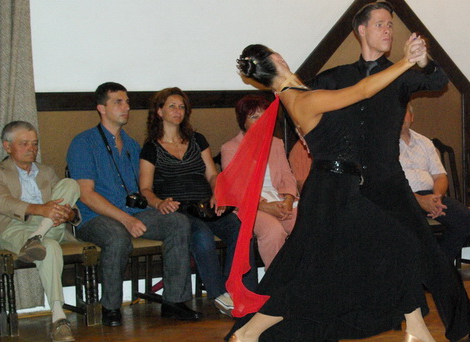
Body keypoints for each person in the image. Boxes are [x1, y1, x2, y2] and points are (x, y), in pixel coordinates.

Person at [224, 36, 451, 342]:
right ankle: (249, 333)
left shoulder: (299, 93)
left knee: (397, 246)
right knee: (322, 276)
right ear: (278, 61)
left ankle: (416, 329)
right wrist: (405, 62)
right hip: (332, 193)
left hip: (339, 188)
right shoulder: (302, 99)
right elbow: (362, 91)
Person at [310, 1, 470, 342]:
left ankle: (467, 322)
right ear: (361, 30)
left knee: (429, 254)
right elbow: (302, 101)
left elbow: (437, 79)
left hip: (388, 183)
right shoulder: (337, 77)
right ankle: (314, 330)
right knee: (327, 253)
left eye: (390, 25)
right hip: (346, 185)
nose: (388, 30)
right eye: (380, 24)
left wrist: (423, 60)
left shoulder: (401, 75)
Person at [67, 82, 201, 327]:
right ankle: (110, 307)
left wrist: (159, 204)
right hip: (94, 217)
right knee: (117, 237)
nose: (126, 107)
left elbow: (142, 190)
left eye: (127, 102)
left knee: (178, 222)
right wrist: (126, 220)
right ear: (101, 108)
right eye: (118, 102)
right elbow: (86, 195)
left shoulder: (131, 145)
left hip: (133, 212)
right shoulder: (83, 143)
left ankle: (174, 301)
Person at [139, 87, 241, 314]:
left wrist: (217, 193)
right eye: (172, 106)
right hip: (179, 209)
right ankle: (219, 295)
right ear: (159, 112)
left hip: (206, 205)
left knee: (238, 227)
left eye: (182, 107)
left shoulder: (197, 140)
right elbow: (145, 189)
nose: (178, 111)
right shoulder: (151, 148)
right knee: (202, 235)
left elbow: (212, 174)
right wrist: (159, 203)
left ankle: (235, 288)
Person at [0, 122, 80, 342]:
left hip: (51, 225)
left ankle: (37, 236)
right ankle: (59, 317)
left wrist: (69, 215)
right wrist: (41, 209)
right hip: (14, 228)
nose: (32, 148)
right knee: (50, 247)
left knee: (71, 184)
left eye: (35, 144)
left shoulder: (46, 171)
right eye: (25, 143)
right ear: (7, 146)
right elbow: (2, 202)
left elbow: (69, 205)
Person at [221, 93, 298, 269]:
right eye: (254, 117)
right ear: (243, 121)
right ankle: (276, 280)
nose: (261, 121)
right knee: (273, 231)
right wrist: (264, 206)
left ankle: (305, 277)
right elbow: (235, 188)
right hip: (248, 205)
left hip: (279, 199)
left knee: (306, 224)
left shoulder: (276, 143)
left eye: (265, 116)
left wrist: (288, 199)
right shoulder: (230, 148)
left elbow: (287, 175)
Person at [399, 103, 470, 262]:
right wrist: (419, 200)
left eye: (404, 111)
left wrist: (437, 197)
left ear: (412, 117)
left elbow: (440, 176)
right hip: (403, 197)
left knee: (465, 218)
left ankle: (438, 266)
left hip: (431, 195)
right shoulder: (384, 144)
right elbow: (387, 182)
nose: (400, 115)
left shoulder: (425, 142)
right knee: (410, 225)